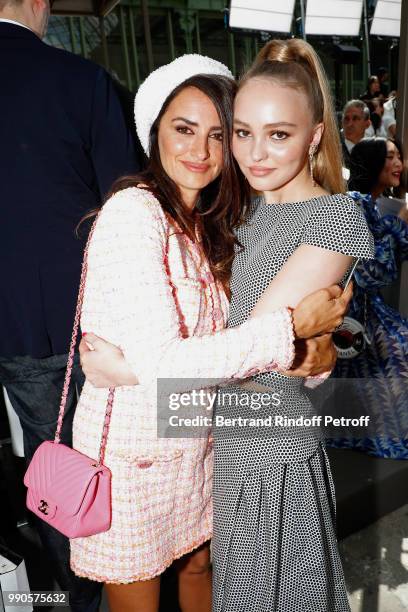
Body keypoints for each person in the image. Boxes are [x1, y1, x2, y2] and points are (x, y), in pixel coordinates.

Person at [69, 53, 353, 612]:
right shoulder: (136, 213)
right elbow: (185, 359)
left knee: (206, 571)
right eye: (183, 129)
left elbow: (243, 334)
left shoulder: (210, 224)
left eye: (219, 134)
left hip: (202, 449)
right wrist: (292, 333)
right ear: (155, 133)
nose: (199, 150)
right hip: (137, 460)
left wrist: (318, 350)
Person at [0, 1, 140, 610]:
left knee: (46, 462)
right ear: (37, 3)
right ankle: (94, 594)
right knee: (80, 467)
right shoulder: (79, 80)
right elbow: (130, 203)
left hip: (16, 324)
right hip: (65, 323)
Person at [329, 137, 408, 459]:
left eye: (400, 156)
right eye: (390, 156)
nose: (399, 163)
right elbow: (372, 272)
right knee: (399, 343)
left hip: (368, 310)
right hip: (350, 315)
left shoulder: (379, 204)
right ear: (373, 162)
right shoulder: (357, 204)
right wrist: (398, 224)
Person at [341, 99, 371, 168]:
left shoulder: (375, 151)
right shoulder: (332, 152)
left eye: (355, 118)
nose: (349, 124)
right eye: (346, 119)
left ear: (367, 124)